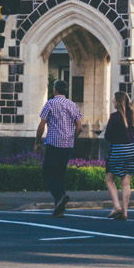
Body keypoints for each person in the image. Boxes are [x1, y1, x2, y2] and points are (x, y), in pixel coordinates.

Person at [36, 79, 82, 218]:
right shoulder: (72, 105)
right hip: (67, 145)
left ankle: (59, 196)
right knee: (60, 175)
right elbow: (79, 126)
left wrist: (36, 142)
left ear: (55, 90)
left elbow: (42, 125)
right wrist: (72, 137)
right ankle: (59, 209)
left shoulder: (50, 103)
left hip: (53, 143)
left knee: (47, 173)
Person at [102, 90, 134, 220]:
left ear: (118, 101)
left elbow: (107, 135)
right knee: (126, 183)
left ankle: (116, 206)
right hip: (131, 150)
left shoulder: (114, 117)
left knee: (109, 179)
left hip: (117, 150)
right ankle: (125, 212)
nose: (112, 101)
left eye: (114, 99)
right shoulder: (133, 115)